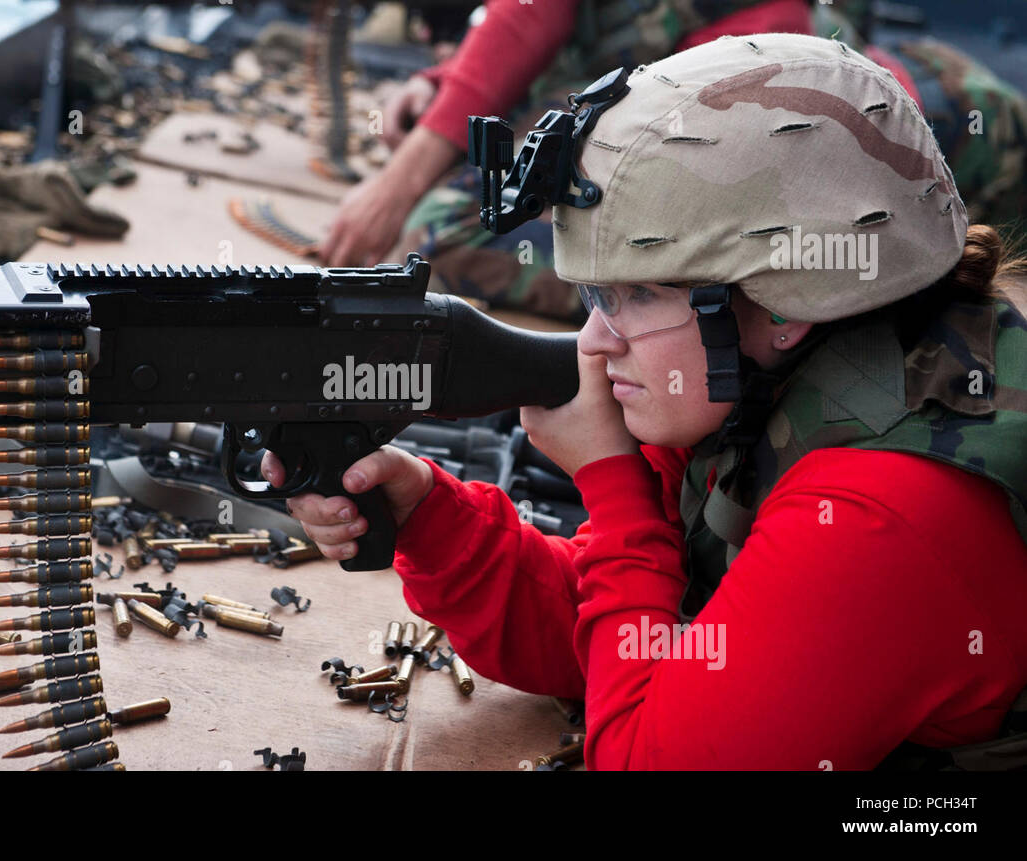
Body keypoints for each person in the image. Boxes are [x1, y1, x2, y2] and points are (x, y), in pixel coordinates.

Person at [264, 33, 1027, 769]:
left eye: (636, 296)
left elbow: (645, 753)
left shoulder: (880, 512)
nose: (595, 339)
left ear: (789, 302)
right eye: (596, 295)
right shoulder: (758, 376)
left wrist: (614, 483)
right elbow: (606, 631)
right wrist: (430, 516)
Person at [324, 0, 1027, 326]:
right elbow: (537, 21)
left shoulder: (742, 55)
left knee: (445, 234)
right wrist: (450, 84)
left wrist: (418, 168)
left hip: (968, 141)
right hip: (889, 111)